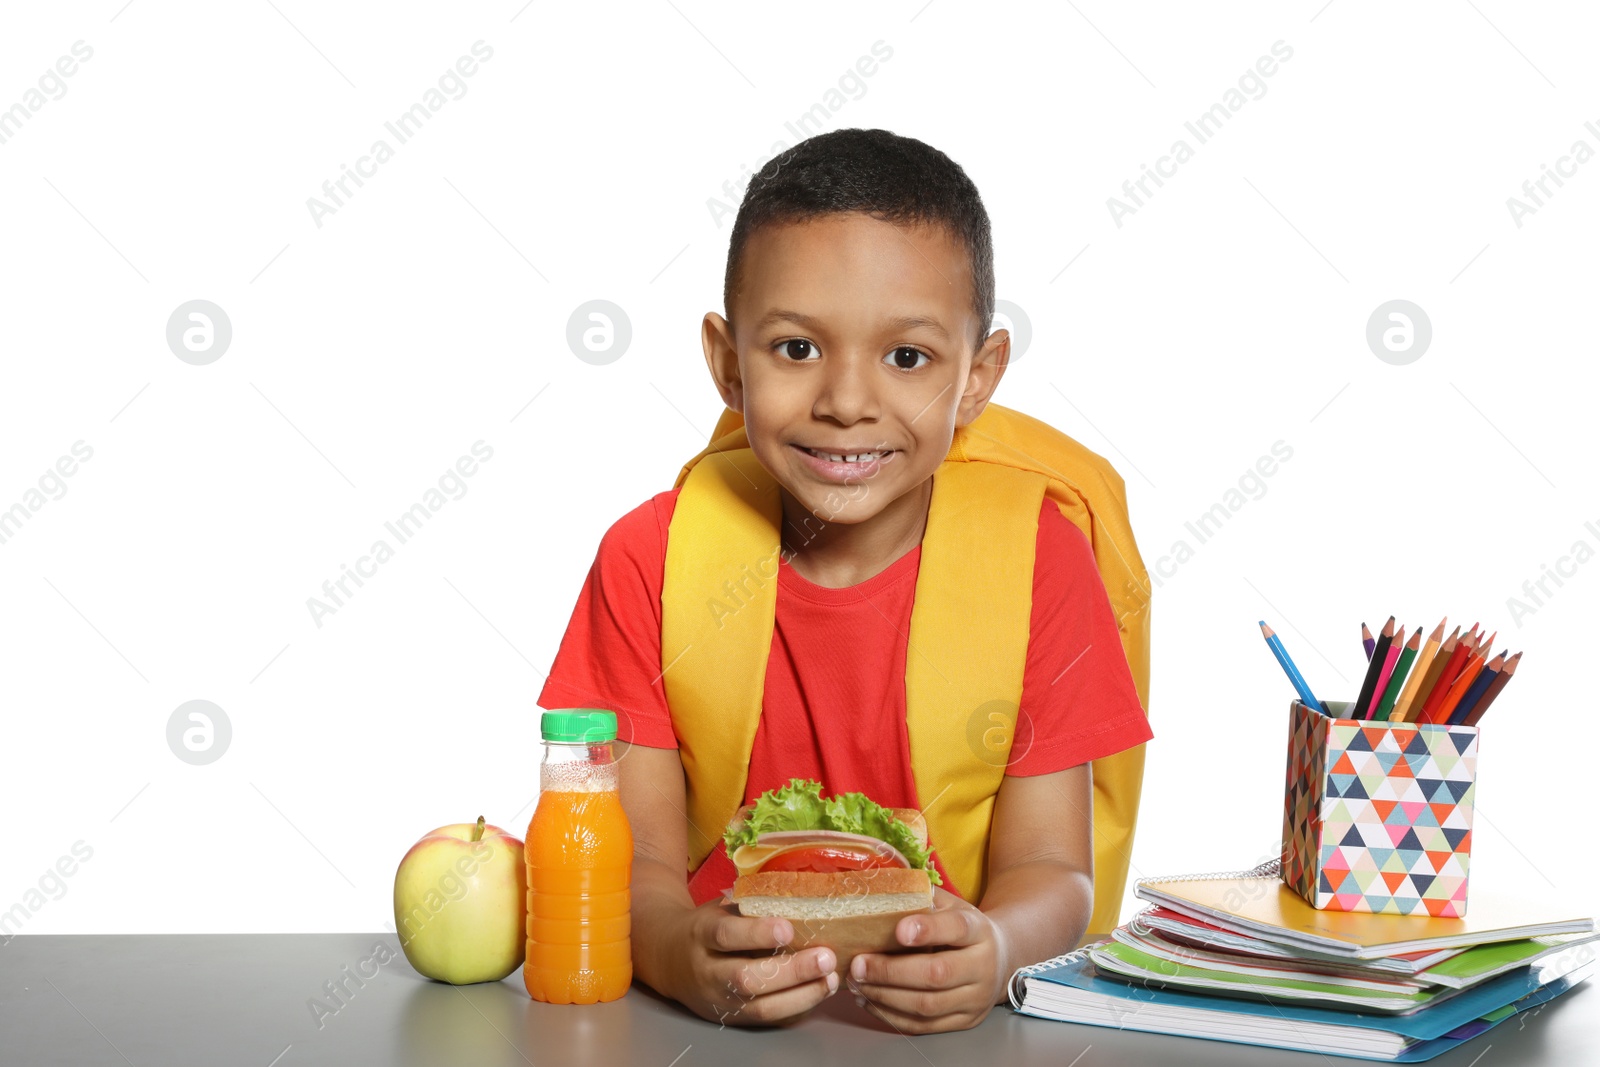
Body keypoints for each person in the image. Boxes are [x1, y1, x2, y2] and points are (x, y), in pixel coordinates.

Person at [537, 128, 1152, 1033]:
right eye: (794, 349)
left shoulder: (1040, 562)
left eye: (908, 357)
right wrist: (675, 953)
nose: (846, 401)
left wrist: (994, 951)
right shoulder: (649, 561)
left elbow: (1052, 870)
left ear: (977, 378)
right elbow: (643, 868)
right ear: (725, 363)